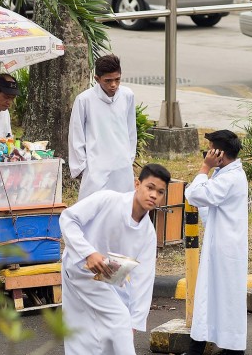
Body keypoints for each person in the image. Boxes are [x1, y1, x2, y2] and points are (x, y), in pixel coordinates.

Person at [60, 163, 171, 355]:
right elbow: (68, 218)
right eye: (150, 187)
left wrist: (135, 321)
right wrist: (88, 252)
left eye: (160, 192)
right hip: (79, 268)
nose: (154, 195)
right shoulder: (108, 199)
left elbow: (143, 279)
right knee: (110, 322)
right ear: (137, 184)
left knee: (112, 330)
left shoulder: (148, 235)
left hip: (110, 280)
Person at [183, 130, 248, 355]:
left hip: (225, 248)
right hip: (220, 244)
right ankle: (205, 344)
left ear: (219, 153)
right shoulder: (226, 173)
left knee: (224, 297)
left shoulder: (230, 177)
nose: (206, 155)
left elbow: (194, 195)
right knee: (213, 296)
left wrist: (204, 168)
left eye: (208, 150)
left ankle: (230, 348)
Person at [68, 54, 137, 200]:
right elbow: (76, 135)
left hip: (122, 166)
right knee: (93, 210)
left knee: (122, 208)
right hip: (96, 167)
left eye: (117, 79)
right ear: (97, 79)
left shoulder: (127, 95)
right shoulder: (84, 100)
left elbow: (131, 130)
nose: (113, 85)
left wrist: (128, 158)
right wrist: (83, 166)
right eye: (108, 81)